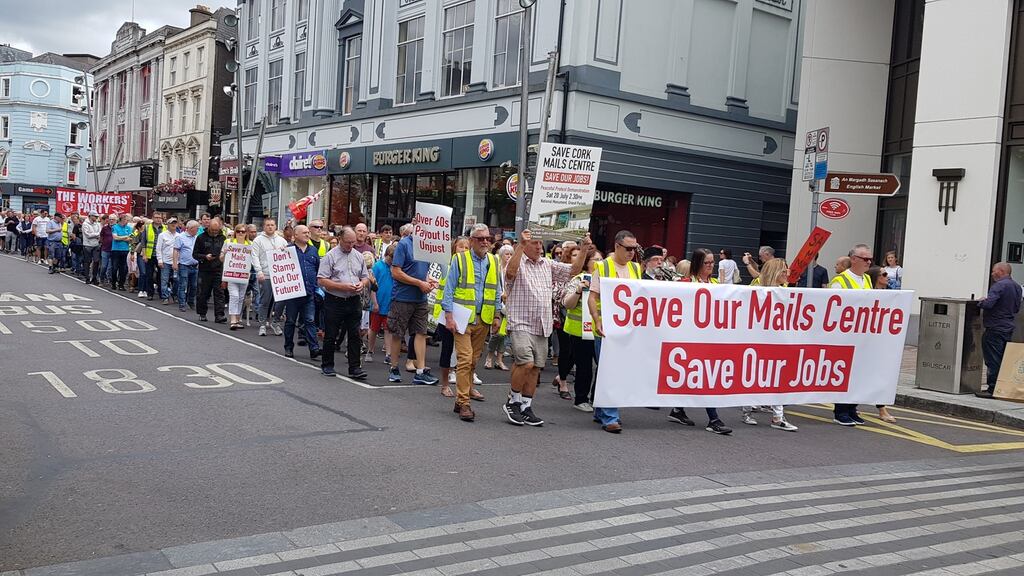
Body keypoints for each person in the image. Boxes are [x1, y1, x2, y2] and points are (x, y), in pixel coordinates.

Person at [504, 229, 588, 427]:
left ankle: (526, 406)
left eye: (541, 244)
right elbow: (510, 273)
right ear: (526, 245)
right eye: (535, 243)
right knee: (525, 362)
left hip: (542, 323)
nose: (539, 247)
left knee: (535, 368)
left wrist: (583, 249)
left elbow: (573, 271)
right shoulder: (518, 261)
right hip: (520, 321)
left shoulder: (547, 264)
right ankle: (512, 402)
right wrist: (520, 245)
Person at [442, 224, 504, 421]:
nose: (485, 241)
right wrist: (449, 316)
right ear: (471, 241)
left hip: (483, 318)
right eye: (480, 238)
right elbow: (449, 289)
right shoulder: (459, 259)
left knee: (473, 361)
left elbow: (495, 291)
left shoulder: (494, 261)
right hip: (463, 318)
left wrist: (496, 316)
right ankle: (465, 403)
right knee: (465, 359)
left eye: (488, 238)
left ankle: (460, 401)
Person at [671, 247, 733, 435]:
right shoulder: (685, 283)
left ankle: (679, 410)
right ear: (697, 264)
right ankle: (713, 418)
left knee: (705, 377)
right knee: (698, 376)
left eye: (712, 262)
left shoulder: (716, 283)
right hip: (689, 338)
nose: (711, 266)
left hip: (710, 339)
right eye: (707, 263)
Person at [588, 231, 643, 433]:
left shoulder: (636, 268)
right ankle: (610, 416)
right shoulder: (602, 267)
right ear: (617, 246)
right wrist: (597, 320)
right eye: (628, 248)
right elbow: (592, 297)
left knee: (614, 370)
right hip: (606, 329)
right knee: (610, 370)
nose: (632, 253)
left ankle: (600, 410)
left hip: (627, 329)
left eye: (635, 249)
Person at [743, 258, 799, 431]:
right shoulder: (758, 288)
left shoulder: (784, 290)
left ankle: (777, 416)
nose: (787, 274)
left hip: (778, 339)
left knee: (778, 375)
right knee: (752, 375)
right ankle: (747, 411)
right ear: (775, 272)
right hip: (757, 339)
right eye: (784, 271)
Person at [387, 223, 440, 385]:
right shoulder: (404, 244)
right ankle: (394, 368)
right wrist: (419, 283)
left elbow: (422, 272)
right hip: (402, 297)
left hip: (420, 298)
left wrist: (428, 280)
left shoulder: (427, 246)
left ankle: (420, 371)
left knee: (421, 333)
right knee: (398, 333)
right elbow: (396, 272)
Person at [830, 243, 874, 426]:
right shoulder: (840, 281)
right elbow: (832, 308)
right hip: (846, 336)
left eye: (870, 259)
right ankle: (840, 411)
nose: (869, 262)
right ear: (854, 259)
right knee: (846, 374)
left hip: (862, 335)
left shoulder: (867, 279)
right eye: (865, 259)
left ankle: (852, 408)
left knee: (860, 374)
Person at [318, 226, 369, 379]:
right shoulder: (330, 256)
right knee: (331, 333)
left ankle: (355, 368)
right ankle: (327, 365)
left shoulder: (358, 256)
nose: (351, 245)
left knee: (355, 334)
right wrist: (342, 286)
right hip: (334, 299)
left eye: (353, 242)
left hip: (353, 299)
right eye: (348, 242)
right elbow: (321, 280)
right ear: (340, 239)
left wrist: (362, 283)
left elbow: (365, 276)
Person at [562, 248, 603, 412]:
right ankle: (581, 398)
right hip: (580, 332)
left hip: (600, 332)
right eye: (596, 260)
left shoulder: (606, 280)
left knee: (602, 366)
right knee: (584, 367)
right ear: (587, 262)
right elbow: (567, 304)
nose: (599, 263)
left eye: (602, 260)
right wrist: (579, 290)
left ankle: (596, 397)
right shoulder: (579, 279)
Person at [976, 262, 1023, 398]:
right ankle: (1002, 386)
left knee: (993, 359)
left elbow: (989, 304)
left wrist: (981, 301)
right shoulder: (1016, 287)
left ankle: (993, 388)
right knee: (1003, 358)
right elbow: (1016, 308)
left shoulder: (999, 286)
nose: (992, 274)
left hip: (995, 327)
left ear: (1001, 271)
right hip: (1007, 327)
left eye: (994, 271)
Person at [434, 236, 471, 398]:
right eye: (460, 247)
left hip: (465, 314)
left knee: (465, 352)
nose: (463, 250)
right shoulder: (446, 265)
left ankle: (466, 384)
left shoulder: (472, 267)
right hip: (448, 313)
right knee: (447, 349)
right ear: (454, 249)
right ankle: (445, 383)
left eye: (466, 247)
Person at [282, 225, 322, 359]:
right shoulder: (288, 250)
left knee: (310, 321)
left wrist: (317, 287)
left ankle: (314, 348)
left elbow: (317, 268)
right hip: (293, 293)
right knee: (291, 321)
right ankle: (288, 347)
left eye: (308, 232)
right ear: (296, 235)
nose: (307, 234)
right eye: (304, 232)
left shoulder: (313, 251)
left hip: (309, 292)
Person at [552, 245, 582, 398]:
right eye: (574, 255)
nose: (578, 258)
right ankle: (563, 382)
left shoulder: (586, 276)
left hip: (582, 320)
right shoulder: (563, 273)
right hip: (563, 316)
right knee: (566, 349)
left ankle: (560, 376)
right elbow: (556, 294)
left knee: (577, 353)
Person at [252, 219, 288, 335]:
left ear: (275, 226)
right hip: (265, 275)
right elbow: (255, 256)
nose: (270, 227)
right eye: (268, 225)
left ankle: (276, 322)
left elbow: (288, 256)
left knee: (280, 301)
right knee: (265, 300)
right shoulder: (258, 240)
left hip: (279, 275)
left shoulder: (282, 241)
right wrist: (259, 271)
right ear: (264, 227)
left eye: (272, 225)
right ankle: (262, 324)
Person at [484, 244, 514, 370]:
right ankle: (489, 357)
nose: (509, 257)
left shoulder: (514, 271)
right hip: (498, 304)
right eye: (507, 254)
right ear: (501, 255)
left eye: (511, 254)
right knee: (496, 333)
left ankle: (500, 360)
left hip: (510, 305)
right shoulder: (496, 269)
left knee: (505, 334)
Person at [194, 217, 227, 323]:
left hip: (218, 269)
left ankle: (219, 315)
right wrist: (204, 257)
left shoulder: (223, 238)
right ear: (208, 228)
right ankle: (202, 313)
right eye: (212, 230)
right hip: (205, 270)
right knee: (203, 293)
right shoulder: (201, 237)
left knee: (219, 293)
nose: (214, 232)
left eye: (216, 230)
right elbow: (195, 254)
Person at [368, 243, 396, 364]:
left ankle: (388, 354)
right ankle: (370, 350)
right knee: (373, 329)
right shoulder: (378, 266)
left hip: (390, 304)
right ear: (386, 255)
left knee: (388, 330)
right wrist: (374, 303)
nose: (392, 261)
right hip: (378, 302)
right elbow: (373, 286)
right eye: (391, 258)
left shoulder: (395, 268)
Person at [221, 224, 252, 329]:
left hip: (243, 274)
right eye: (238, 231)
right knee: (234, 295)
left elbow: (253, 260)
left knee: (241, 297)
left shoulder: (250, 244)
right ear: (235, 232)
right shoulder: (228, 243)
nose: (240, 233)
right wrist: (224, 253)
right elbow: (221, 259)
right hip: (231, 274)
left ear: (246, 233)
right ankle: (233, 319)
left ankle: (238, 318)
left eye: (243, 232)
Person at [173, 221, 200, 312]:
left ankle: (191, 301)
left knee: (194, 286)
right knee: (183, 285)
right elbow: (176, 250)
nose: (198, 230)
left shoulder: (197, 238)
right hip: (184, 265)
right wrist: (175, 263)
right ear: (191, 228)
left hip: (194, 265)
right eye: (197, 228)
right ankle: (182, 303)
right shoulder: (180, 237)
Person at [140, 213, 164, 301]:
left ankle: (161, 293)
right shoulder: (147, 227)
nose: (158, 219)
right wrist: (144, 254)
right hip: (150, 255)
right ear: (153, 218)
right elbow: (143, 242)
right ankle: (150, 293)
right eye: (156, 218)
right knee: (149, 275)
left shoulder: (164, 228)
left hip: (161, 256)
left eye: (160, 218)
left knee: (161, 275)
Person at [155, 218, 179, 304]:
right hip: (165, 261)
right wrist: (160, 260)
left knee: (177, 280)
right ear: (167, 224)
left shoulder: (179, 236)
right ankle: (165, 297)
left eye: (175, 223)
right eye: (172, 223)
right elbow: (158, 249)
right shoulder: (162, 235)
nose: (173, 225)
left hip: (176, 262)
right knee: (164, 280)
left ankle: (173, 294)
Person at [110, 213, 133, 290]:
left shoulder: (129, 228)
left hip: (125, 250)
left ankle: (121, 284)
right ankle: (113, 283)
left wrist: (121, 237)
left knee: (123, 268)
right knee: (114, 267)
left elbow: (131, 239)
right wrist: (126, 237)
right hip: (116, 249)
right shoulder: (115, 227)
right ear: (122, 220)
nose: (127, 221)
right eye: (126, 220)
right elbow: (115, 237)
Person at [81, 212, 102, 285]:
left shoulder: (98, 224)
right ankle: (87, 277)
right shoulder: (85, 224)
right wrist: (97, 235)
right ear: (90, 216)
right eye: (95, 216)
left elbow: (100, 232)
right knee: (87, 261)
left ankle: (94, 277)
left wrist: (95, 235)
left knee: (96, 261)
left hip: (96, 245)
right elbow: (88, 235)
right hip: (87, 245)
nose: (96, 218)